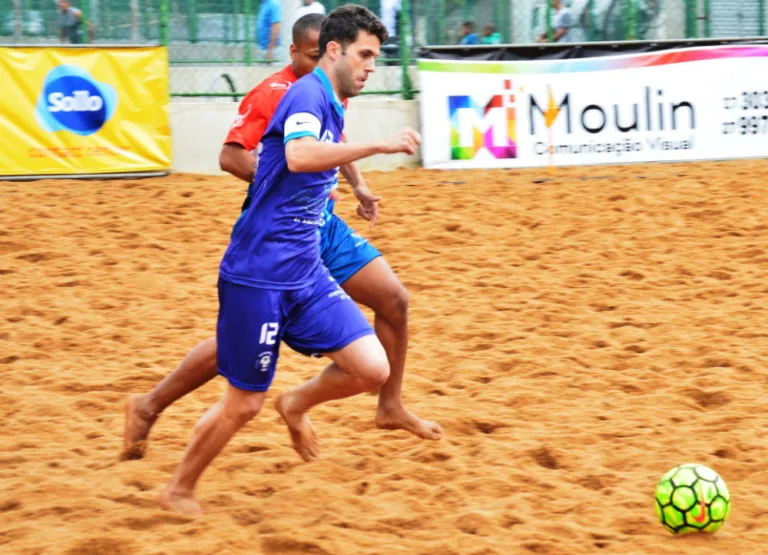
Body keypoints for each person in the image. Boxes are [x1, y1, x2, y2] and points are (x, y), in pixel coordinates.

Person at [122, 12, 441, 464]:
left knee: (394, 301)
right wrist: (284, 180)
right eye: (312, 56)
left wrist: (356, 184)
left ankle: (388, 405)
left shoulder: (333, 89)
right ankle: (151, 404)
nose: (364, 67)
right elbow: (232, 156)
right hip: (280, 231)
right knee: (244, 340)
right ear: (308, 53)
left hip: (319, 225)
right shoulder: (280, 93)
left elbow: (334, 135)